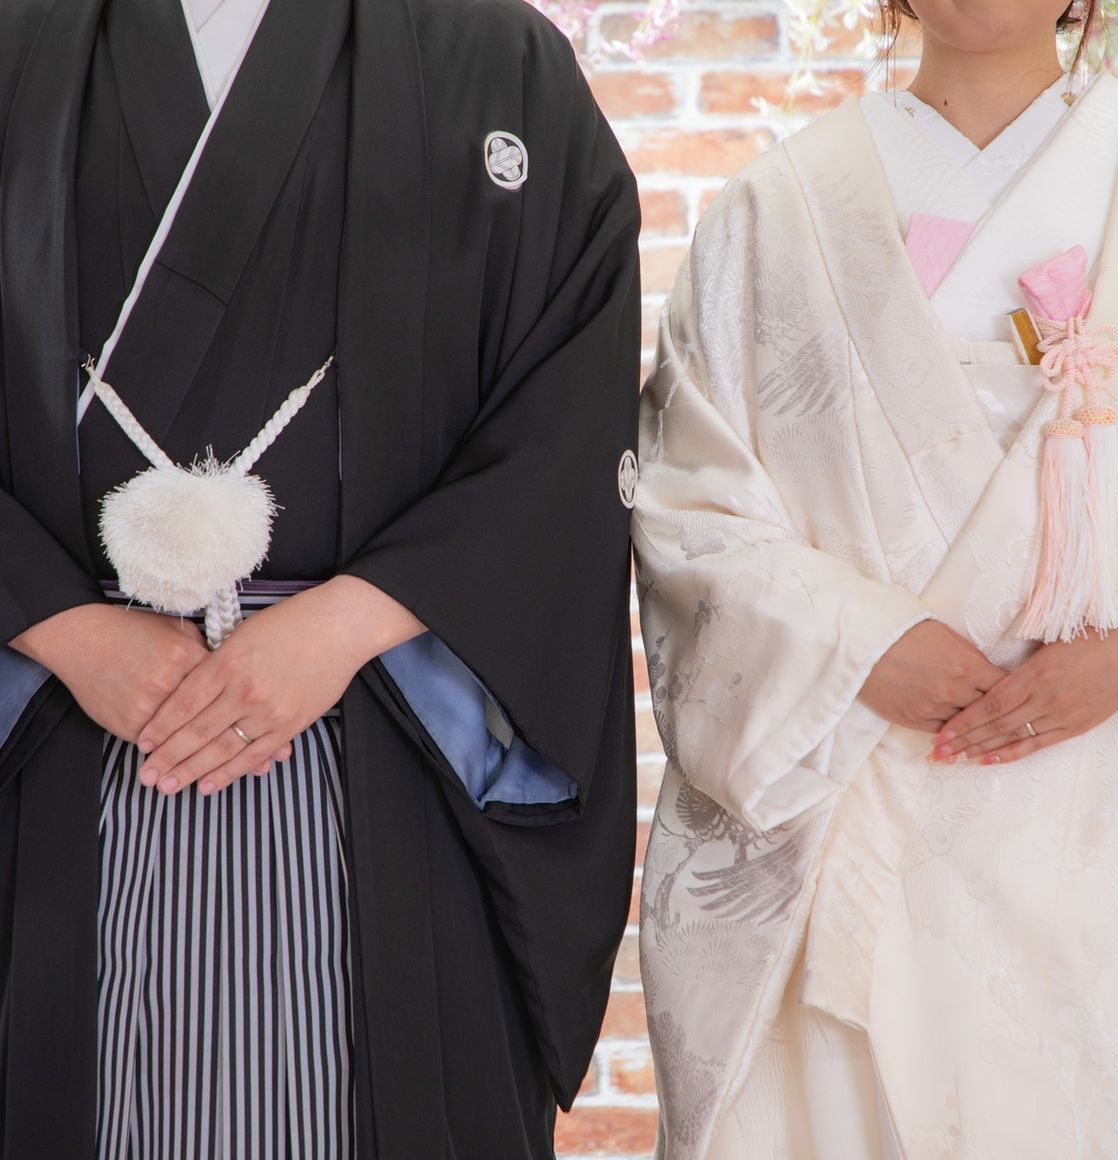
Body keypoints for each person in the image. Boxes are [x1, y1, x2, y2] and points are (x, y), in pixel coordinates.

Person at [0, 0, 641, 1156]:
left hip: (380, 717)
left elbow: (569, 416)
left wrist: (344, 623)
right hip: (62, 720)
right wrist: (60, 627)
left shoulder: (497, 61)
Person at [633, 2, 1118, 1155]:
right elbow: (687, 501)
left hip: (1112, 817)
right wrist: (857, 640)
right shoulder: (776, 208)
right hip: (852, 788)